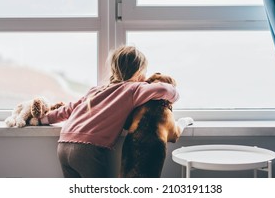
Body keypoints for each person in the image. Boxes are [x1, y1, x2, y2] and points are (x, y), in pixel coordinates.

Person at [39, 45, 180, 178]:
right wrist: (174, 95)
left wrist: (44, 119)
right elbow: (164, 90)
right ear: (139, 73)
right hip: (88, 150)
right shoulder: (135, 89)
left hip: (64, 144)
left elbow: (69, 108)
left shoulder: (95, 90)